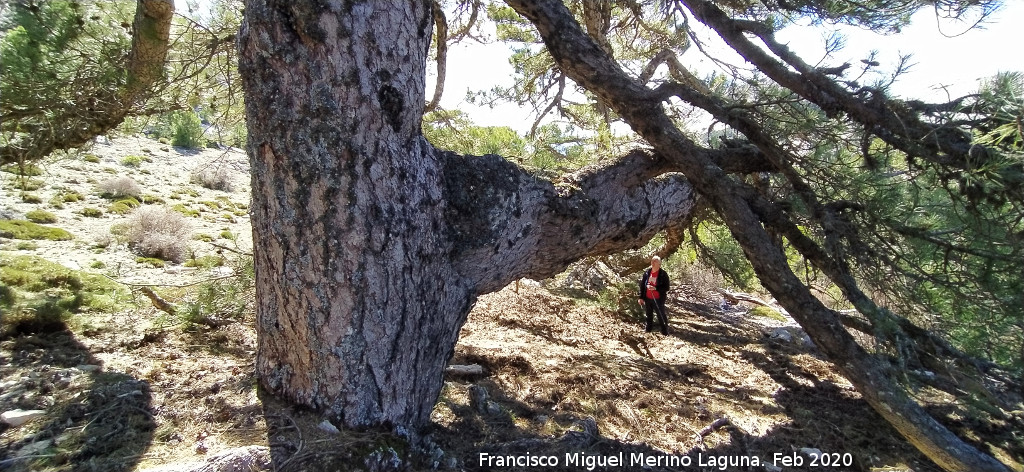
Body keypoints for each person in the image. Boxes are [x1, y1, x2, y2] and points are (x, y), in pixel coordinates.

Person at [637, 256, 670, 335]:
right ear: (652, 263)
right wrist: (641, 297)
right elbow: (642, 286)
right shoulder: (647, 273)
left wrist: (655, 288)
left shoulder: (663, 274)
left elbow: (666, 287)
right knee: (648, 314)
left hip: (658, 298)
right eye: (657, 263)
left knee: (661, 314)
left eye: (659, 263)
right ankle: (648, 330)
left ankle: (665, 331)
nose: (659, 265)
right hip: (648, 297)